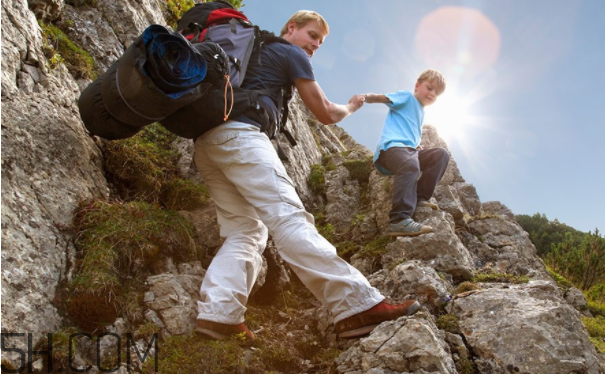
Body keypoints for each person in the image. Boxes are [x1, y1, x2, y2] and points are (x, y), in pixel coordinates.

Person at [193, 10, 420, 341]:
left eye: (321, 42)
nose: (315, 45)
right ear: (292, 28)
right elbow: (326, 113)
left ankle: (219, 315)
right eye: (312, 35)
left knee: (245, 230)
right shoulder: (288, 52)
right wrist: (353, 106)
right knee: (288, 218)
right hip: (241, 137)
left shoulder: (253, 50)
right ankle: (356, 304)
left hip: (207, 141)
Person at [362, 69, 450, 237]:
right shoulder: (407, 97)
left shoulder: (421, 112)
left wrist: (415, 148)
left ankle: (419, 197)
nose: (432, 94)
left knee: (441, 155)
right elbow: (384, 98)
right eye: (429, 88)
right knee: (411, 164)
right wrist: (366, 97)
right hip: (390, 150)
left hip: (408, 151)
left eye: (436, 93)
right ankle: (399, 220)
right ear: (417, 86)